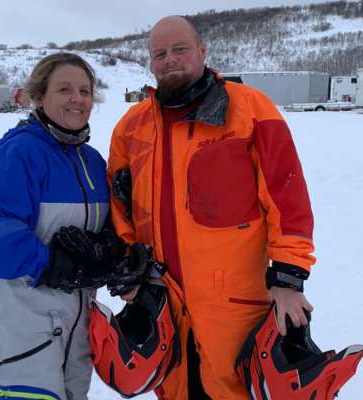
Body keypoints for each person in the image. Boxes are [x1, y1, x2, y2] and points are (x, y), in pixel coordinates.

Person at [106, 15, 316, 400]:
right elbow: (119, 212)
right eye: (160, 53)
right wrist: (127, 269)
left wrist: (288, 278)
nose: (170, 59)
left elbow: (287, 197)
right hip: (162, 300)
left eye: (180, 49)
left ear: (202, 51)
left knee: (235, 389)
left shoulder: (251, 108)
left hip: (234, 303)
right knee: (174, 389)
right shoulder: (130, 128)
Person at [0, 53, 120, 400]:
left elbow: (107, 225)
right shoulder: (18, 153)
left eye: (84, 90)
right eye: (64, 89)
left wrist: (106, 248)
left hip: (76, 331)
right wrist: (59, 267)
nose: (77, 98)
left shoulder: (92, 161)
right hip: (25, 334)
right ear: (39, 96)